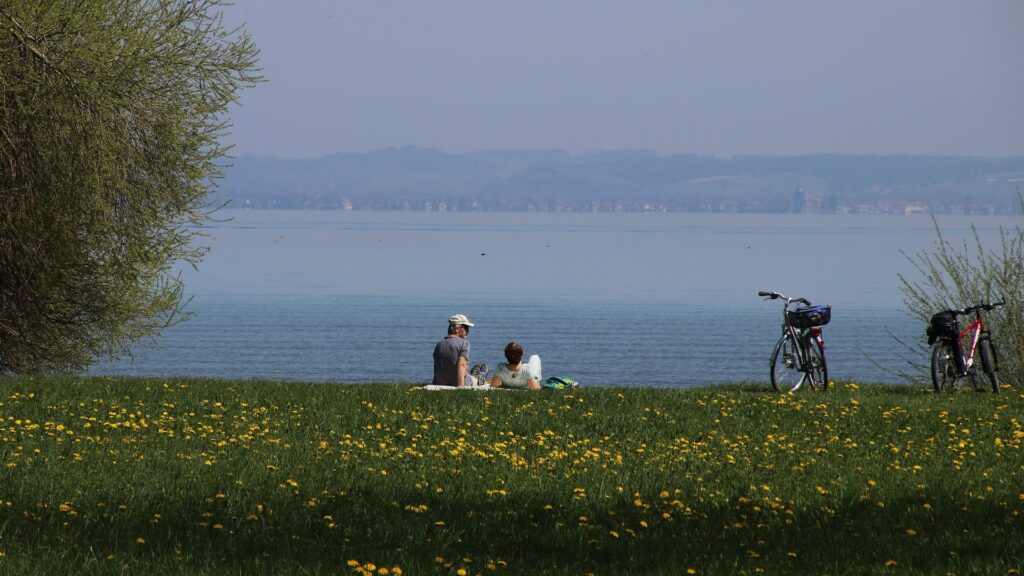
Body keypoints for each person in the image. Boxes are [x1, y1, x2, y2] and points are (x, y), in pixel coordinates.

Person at [432, 313, 478, 387]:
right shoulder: (464, 343)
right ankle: (479, 375)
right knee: (476, 379)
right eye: (466, 327)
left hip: (439, 382)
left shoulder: (439, 344)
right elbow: (461, 364)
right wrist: (460, 385)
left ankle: (473, 373)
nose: (468, 331)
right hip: (459, 382)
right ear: (457, 329)